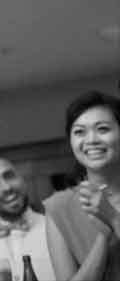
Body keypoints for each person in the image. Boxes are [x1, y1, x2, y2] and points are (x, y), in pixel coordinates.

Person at [44, 91, 120, 281]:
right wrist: (103, 238)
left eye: (103, 129)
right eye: (79, 132)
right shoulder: (59, 207)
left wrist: (112, 217)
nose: (91, 140)